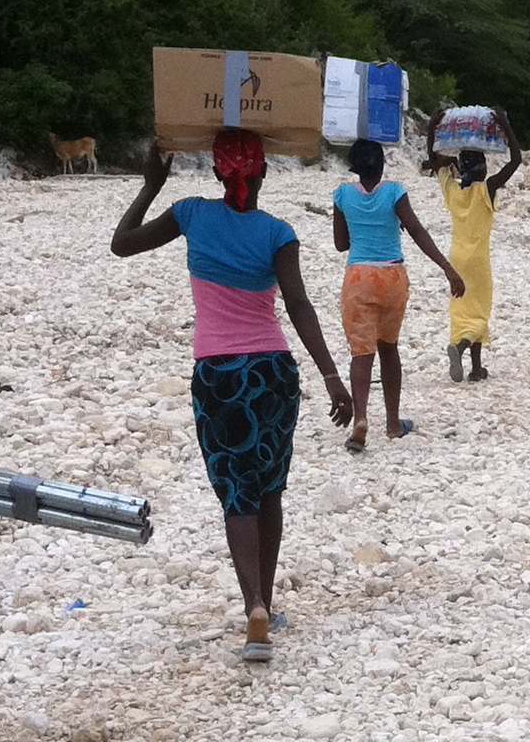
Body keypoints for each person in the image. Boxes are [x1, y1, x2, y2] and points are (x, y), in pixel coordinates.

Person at [111, 129, 352, 662]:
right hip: (273, 371)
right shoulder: (279, 233)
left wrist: (151, 185)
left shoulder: (192, 214)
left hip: (218, 374)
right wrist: (332, 377)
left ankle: (253, 607)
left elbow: (121, 243)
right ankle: (267, 601)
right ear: (263, 172)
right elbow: (298, 305)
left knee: (236, 492)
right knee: (269, 488)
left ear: (218, 172)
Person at [332, 139, 465, 452]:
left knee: (361, 352)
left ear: (353, 168)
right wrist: (447, 268)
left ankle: (361, 419)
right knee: (388, 347)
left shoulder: (342, 195)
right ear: (382, 166)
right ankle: (393, 423)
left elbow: (341, 244)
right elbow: (417, 231)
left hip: (359, 278)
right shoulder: (394, 192)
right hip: (392, 278)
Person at [425, 107, 522, 382]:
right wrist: (505, 125)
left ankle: (476, 368)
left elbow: (433, 160)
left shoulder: (452, 190)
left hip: (455, 259)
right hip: (478, 261)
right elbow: (516, 160)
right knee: (479, 311)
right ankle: (459, 347)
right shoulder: (487, 189)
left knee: (461, 309)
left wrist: (432, 128)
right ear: (483, 168)